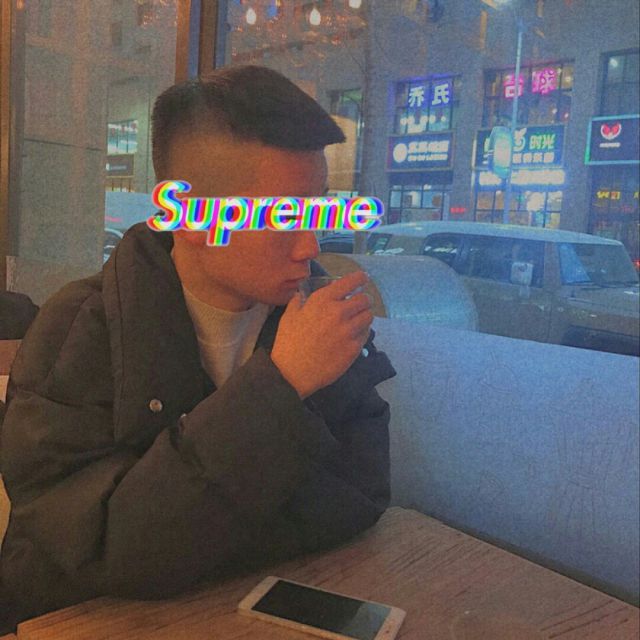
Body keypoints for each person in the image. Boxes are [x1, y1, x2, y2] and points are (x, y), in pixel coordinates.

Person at [0, 65, 396, 632]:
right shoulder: (77, 331)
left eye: (318, 210)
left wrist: (196, 529)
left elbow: (361, 496)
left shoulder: (317, 317)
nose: (310, 246)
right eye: (282, 216)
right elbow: (113, 550)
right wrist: (281, 385)